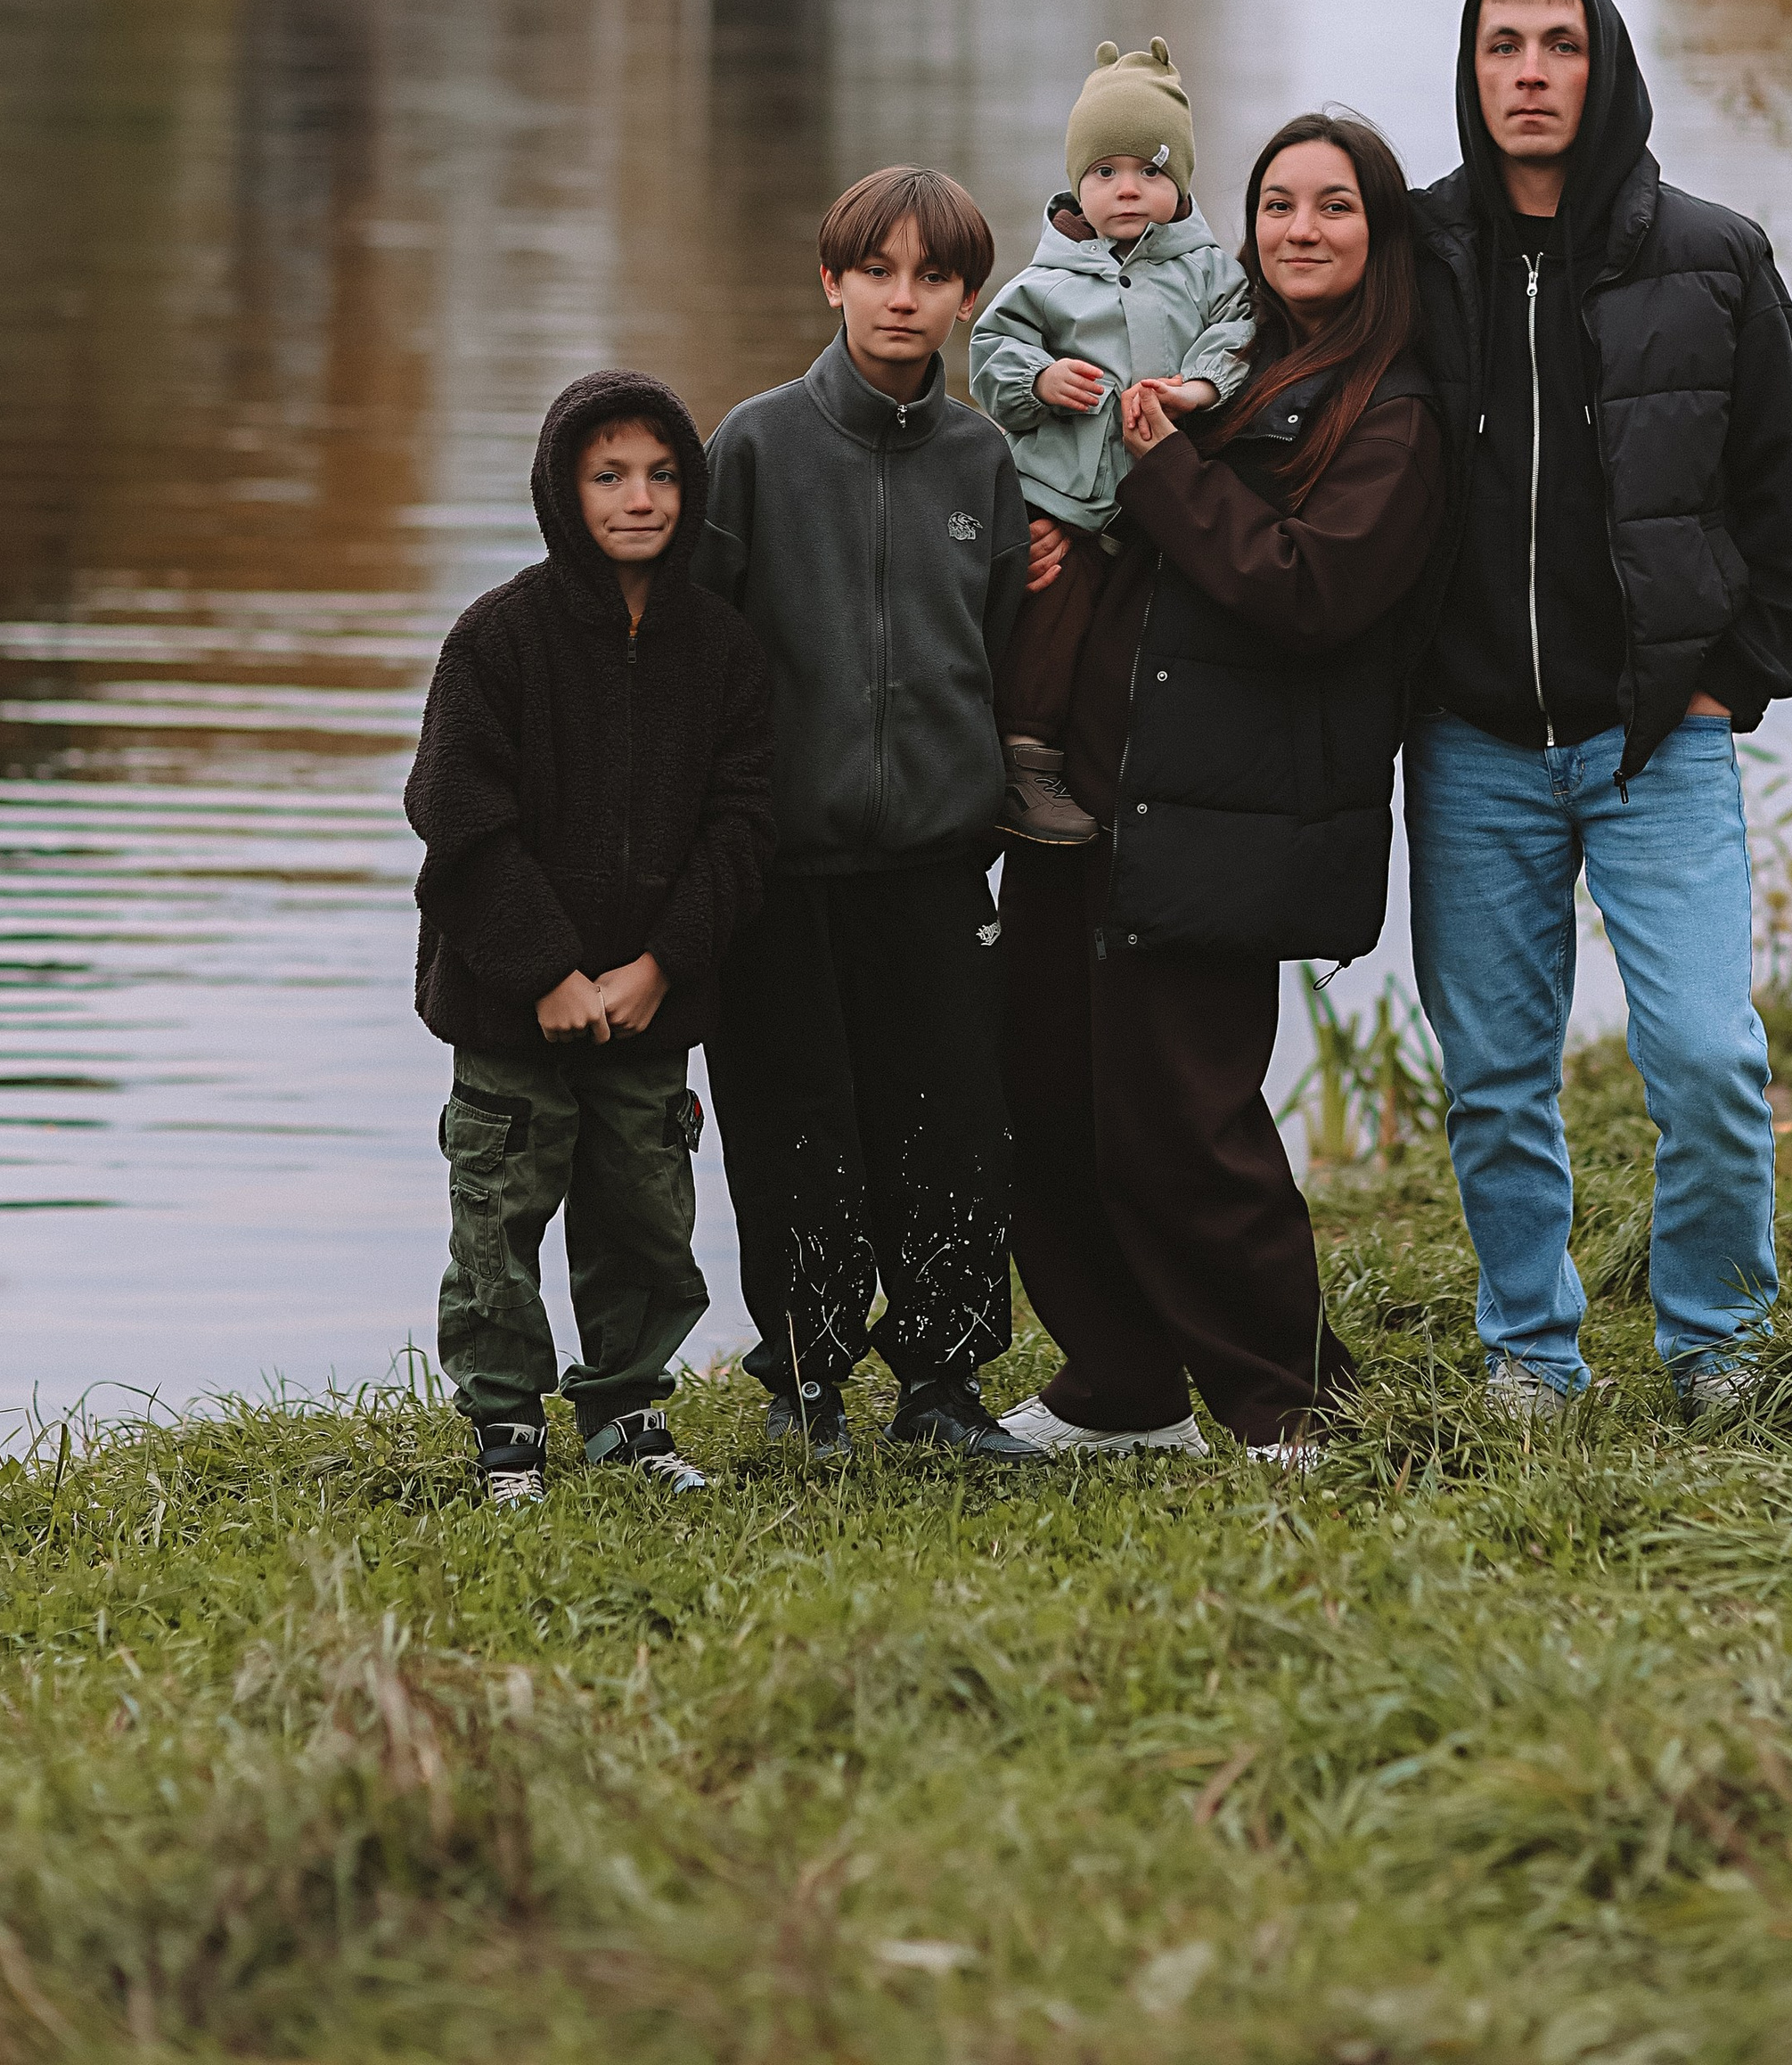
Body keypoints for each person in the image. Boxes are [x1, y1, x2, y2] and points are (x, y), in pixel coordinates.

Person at [1404, 0, 1792, 1424]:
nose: (1530, 71)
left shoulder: (1713, 256)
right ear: (1470, 75)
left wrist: (1740, 678)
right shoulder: (1415, 256)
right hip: (1470, 743)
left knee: (1709, 1057)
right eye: (1501, 46)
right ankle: (1531, 1352)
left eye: (1559, 43)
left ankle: (1717, 1337)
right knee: (1494, 1080)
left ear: (1605, 68)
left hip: (1655, 740)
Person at [996, 114, 1445, 1461]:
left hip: (1217, 807)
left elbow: (1306, 590)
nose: (1302, 228)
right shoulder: (1227, 361)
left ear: (1382, 237)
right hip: (1088, 787)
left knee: (1183, 1115)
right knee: (1048, 1091)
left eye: (1336, 206)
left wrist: (1159, 466)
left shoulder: (1393, 412)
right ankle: (1121, 1382)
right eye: (1280, 204)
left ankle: (1289, 1397)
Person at [694, 163, 1043, 1466]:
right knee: (797, 1130)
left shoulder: (983, 460)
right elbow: (705, 657)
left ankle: (942, 1385)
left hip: (941, 865)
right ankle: (806, 1385)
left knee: (952, 1128)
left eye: (935, 277)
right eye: (879, 272)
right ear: (831, 281)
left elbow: (1004, 648)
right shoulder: (755, 445)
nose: (905, 299)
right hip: (785, 869)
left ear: (966, 300)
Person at [405, 369, 776, 1507]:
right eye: (608, 475)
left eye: (664, 475)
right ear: (562, 491)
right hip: (513, 1009)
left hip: (649, 1005)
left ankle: (629, 1412)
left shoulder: (721, 650)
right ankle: (505, 1430)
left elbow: (745, 824)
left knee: (646, 1217)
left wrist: (663, 962)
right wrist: (547, 974)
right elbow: (458, 820)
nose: (639, 498)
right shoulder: (497, 640)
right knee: (498, 1220)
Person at [970, 35, 1255, 848]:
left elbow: (1241, 334)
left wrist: (1198, 386)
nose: (1128, 190)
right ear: (1078, 185)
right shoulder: (1045, 282)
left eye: (1151, 172)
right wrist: (1040, 380)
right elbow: (991, 355)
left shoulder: (1208, 273)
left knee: (1134, 640)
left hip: (1157, 501)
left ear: (1181, 183)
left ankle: (1130, 776)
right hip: (1062, 495)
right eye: (1105, 173)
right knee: (1050, 611)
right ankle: (1025, 759)